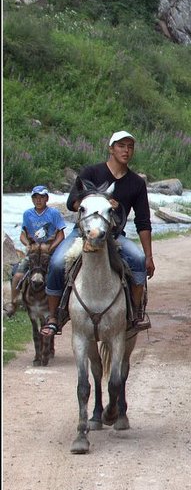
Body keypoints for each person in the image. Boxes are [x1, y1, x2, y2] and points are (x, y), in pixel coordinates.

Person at [41, 131, 155, 337]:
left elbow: (143, 222)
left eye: (130, 147)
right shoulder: (91, 172)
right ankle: (53, 317)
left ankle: (135, 314)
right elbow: (72, 203)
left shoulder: (136, 183)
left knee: (138, 260)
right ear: (111, 148)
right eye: (121, 146)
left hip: (114, 235)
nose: (126, 151)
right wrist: (97, 200)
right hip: (82, 233)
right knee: (57, 263)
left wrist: (149, 255)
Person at [4, 185, 66, 317]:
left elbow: (61, 235)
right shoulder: (27, 214)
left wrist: (51, 247)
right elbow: (22, 235)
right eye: (36, 197)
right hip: (33, 251)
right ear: (32, 199)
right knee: (18, 274)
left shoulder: (54, 213)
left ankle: (60, 304)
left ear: (47, 199)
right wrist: (27, 244)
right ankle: (13, 303)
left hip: (49, 251)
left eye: (41, 197)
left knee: (56, 272)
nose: (38, 200)